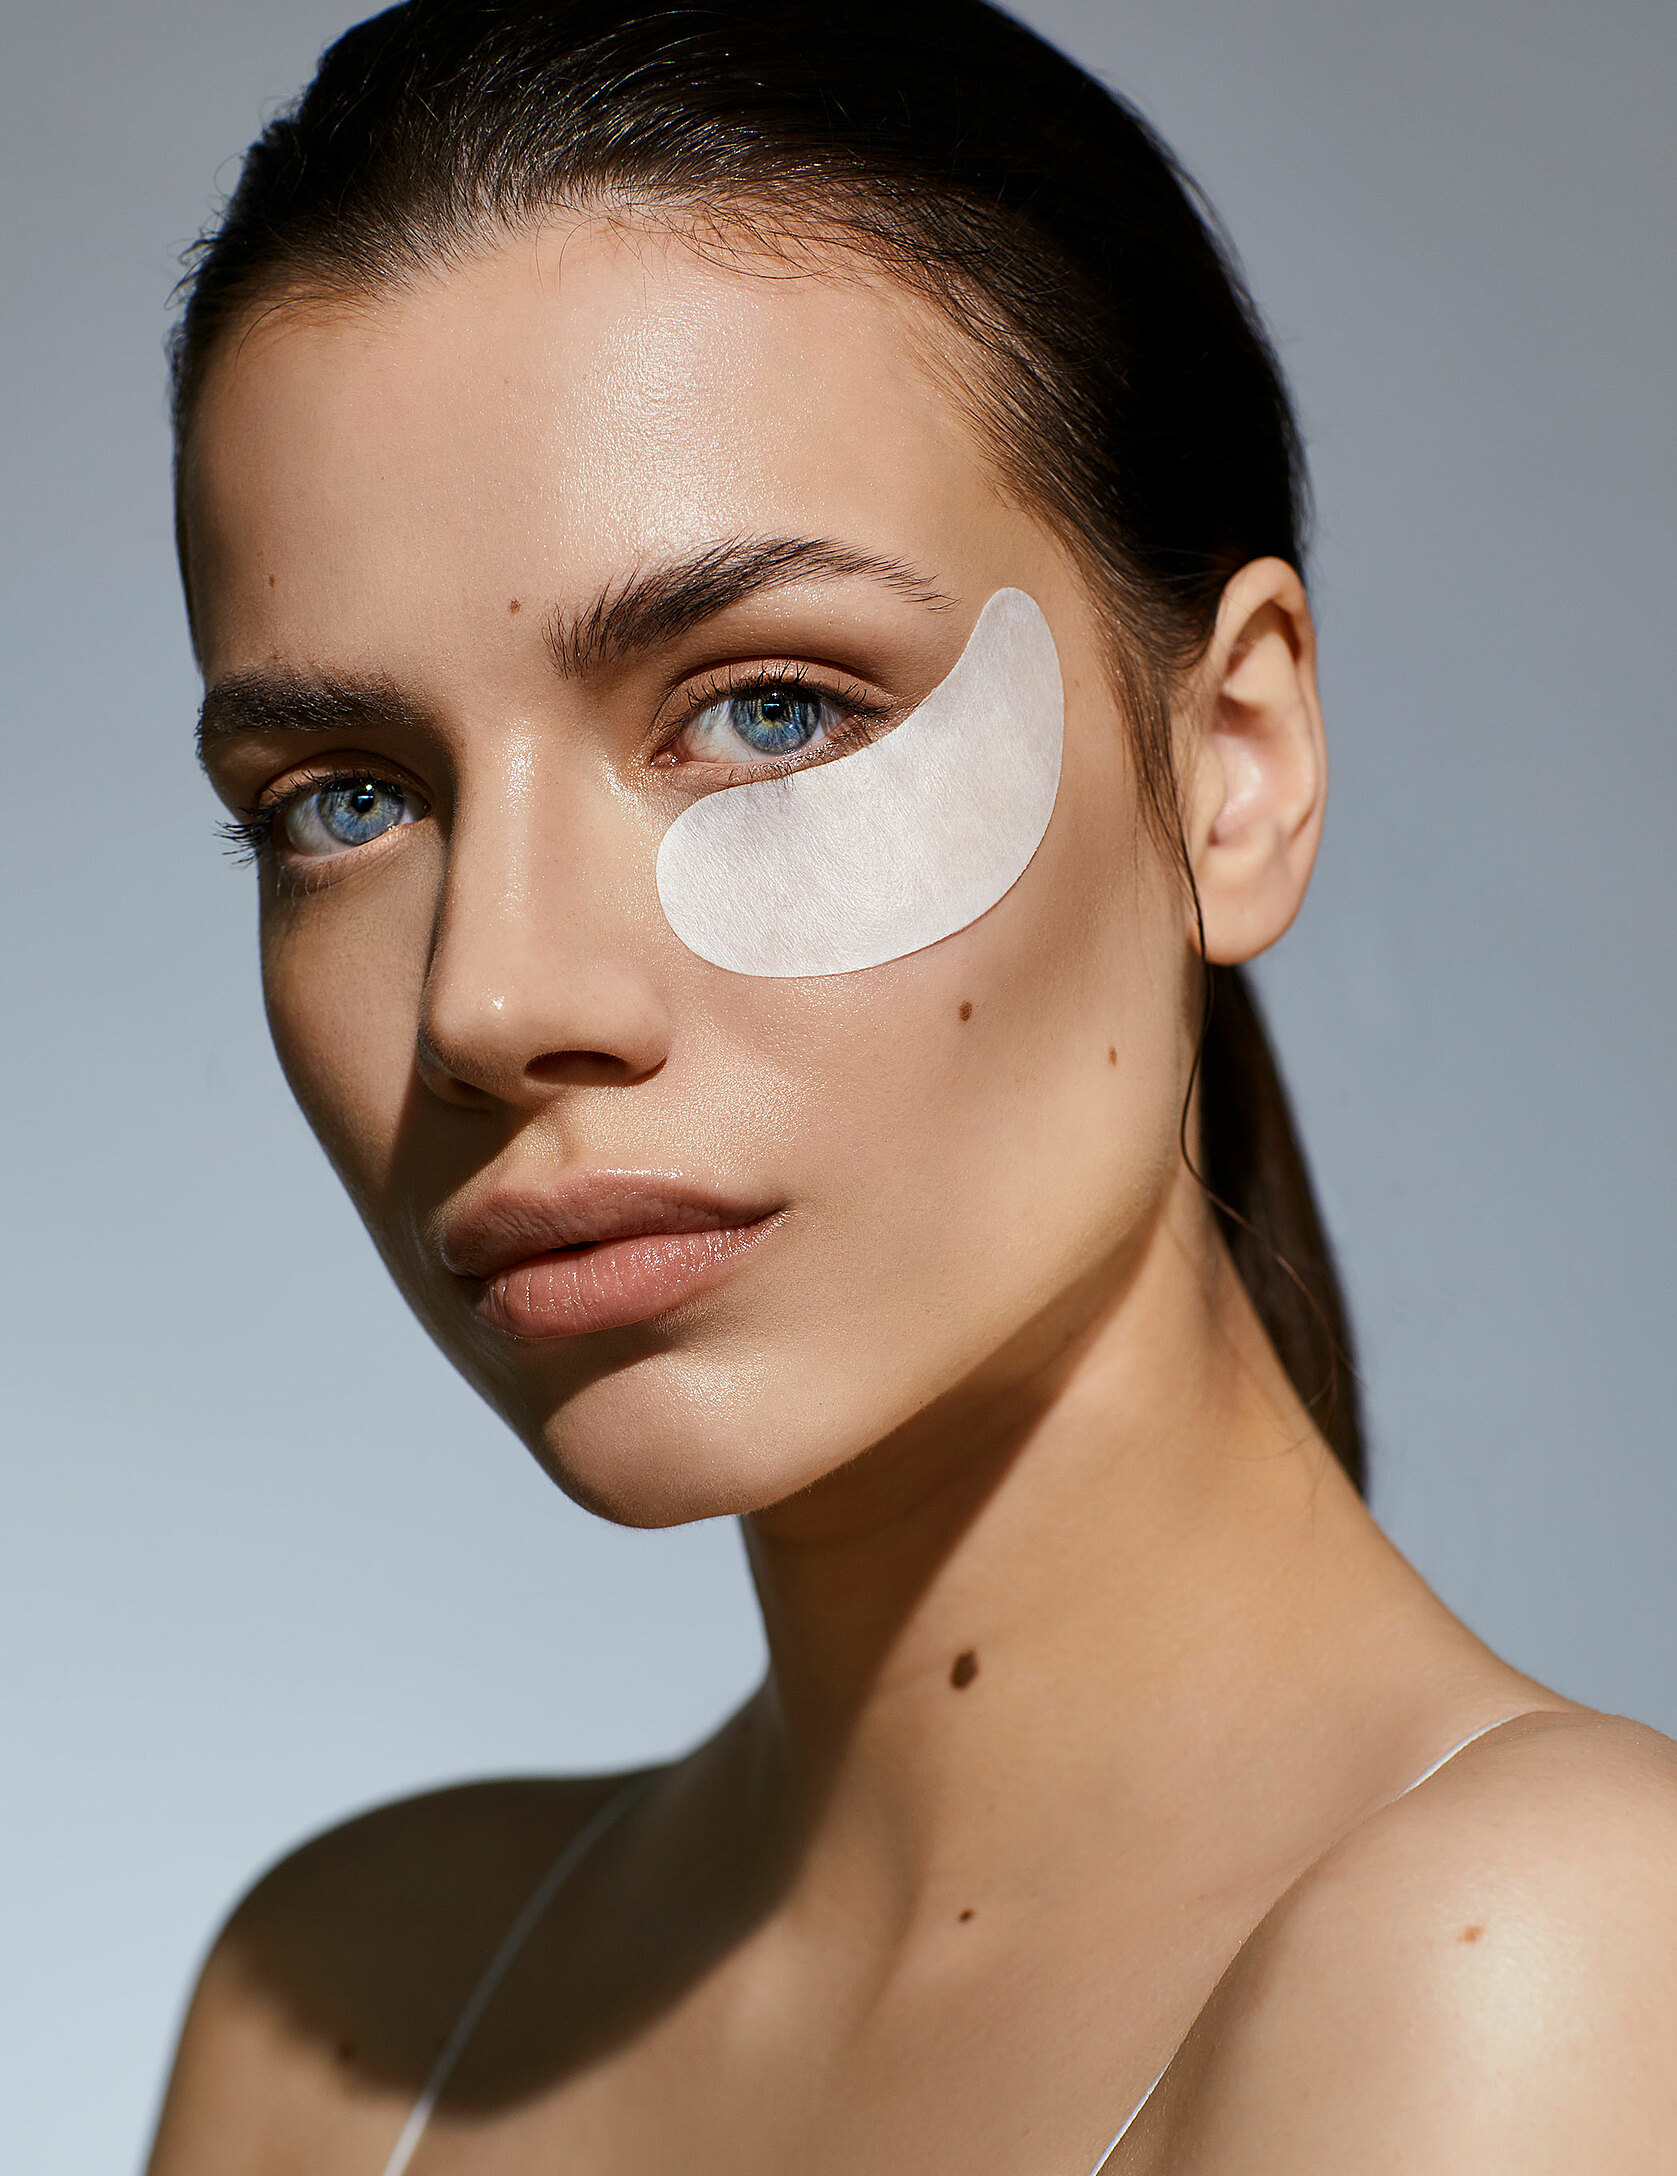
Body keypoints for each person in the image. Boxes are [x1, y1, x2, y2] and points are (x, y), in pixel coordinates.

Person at [146, 2, 1677, 2168]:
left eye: (765, 709)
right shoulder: (344, 2019)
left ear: (1232, 768)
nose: (491, 998)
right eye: (347, 798)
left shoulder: (1532, 1961)